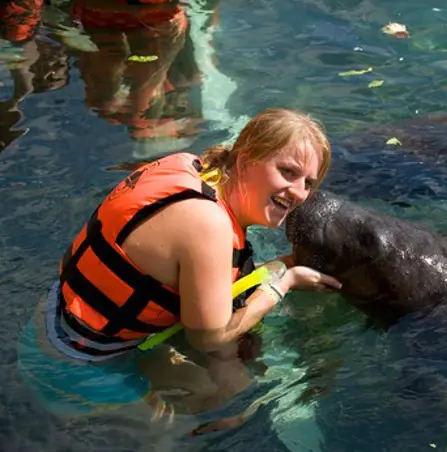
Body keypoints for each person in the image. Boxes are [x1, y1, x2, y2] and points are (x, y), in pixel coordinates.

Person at [17, 107, 342, 417]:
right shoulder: (208, 225)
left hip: (50, 320)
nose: (298, 192)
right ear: (247, 157)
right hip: (74, 364)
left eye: (309, 183)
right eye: (288, 171)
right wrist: (283, 284)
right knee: (232, 399)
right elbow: (209, 337)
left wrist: (281, 264)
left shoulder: (190, 166)